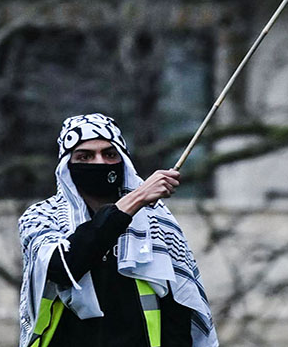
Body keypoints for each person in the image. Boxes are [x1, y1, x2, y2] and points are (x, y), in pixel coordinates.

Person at [18, 113, 217, 347]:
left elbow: (178, 308)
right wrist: (136, 198)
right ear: (67, 166)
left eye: (109, 154)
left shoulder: (155, 220)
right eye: (85, 156)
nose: (99, 163)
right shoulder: (40, 217)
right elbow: (64, 267)